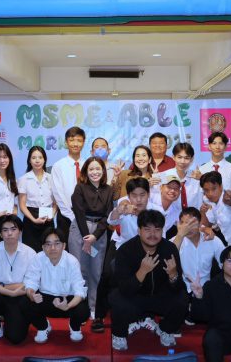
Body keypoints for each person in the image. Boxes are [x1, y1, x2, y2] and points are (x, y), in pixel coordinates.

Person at [109, 209, 188, 351]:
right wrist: (142, 272)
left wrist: (173, 275)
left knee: (182, 297)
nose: (152, 234)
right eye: (147, 229)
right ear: (139, 231)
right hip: (134, 297)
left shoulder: (169, 249)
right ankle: (119, 334)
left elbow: (178, 287)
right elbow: (124, 289)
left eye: (157, 230)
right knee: (116, 298)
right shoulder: (126, 250)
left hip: (159, 296)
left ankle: (166, 329)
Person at [93, 177, 162, 333]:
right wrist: (119, 211)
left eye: (142, 195)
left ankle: (147, 314)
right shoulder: (124, 206)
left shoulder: (156, 210)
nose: (138, 199)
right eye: (134, 195)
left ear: (148, 194)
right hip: (122, 247)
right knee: (107, 274)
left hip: (148, 250)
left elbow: (159, 235)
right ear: (129, 196)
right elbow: (111, 221)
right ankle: (99, 316)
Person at [23, 228, 90, 343]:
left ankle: (74, 326)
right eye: (48, 244)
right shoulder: (38, 258)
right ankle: (43, 327)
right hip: (45, 298)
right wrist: (31, 294)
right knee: (25, 302)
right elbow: (31, 281)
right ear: (43, 247)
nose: (52, 248)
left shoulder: (72, 261)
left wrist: (68, 306)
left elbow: (79, 290)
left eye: (57, 243)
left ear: (64, 246)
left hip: (67, 299)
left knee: (83, 310)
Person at [0, 215, 37, 345]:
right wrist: (11, 291)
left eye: (13, 229)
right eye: (5, 230)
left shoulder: (31, 253)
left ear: (20, 232)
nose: (9, 233)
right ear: (0, 234)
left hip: (20, 297)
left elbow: (30, 284)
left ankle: (19, 320)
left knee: (15, 338)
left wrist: (1, 286)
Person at [69, 156, 113, 314]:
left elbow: (108, 215)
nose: (95, 172)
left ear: (103, 171)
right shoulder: (80, 188)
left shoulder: (109, 190)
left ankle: (93, 307)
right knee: (80, 269)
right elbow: (79, 212)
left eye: (98, 169)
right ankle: (79, 308)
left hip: (99, 233)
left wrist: (95, 236)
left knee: (96, 271)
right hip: (80, 231)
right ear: (86, 172)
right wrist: (87, 238)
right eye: (91, 169)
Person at [171, 207, 225, 325]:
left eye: (192, 224)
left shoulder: (213, 240)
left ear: (200, 224)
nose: (188, 228)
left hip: (206, 287)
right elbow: (169, 260)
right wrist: (180, 236)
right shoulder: (174, 241)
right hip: (183, 287)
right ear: (179, 225)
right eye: (184, 223)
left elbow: (225, 263)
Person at [51, 126, 86, 244]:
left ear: (83, 143)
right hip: (66, 216)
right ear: (66, 142)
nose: (75, 144)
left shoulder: (88, 165)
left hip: (86, 216)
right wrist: (73, 217)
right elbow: (58, 194)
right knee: (65, 248)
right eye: (72, 140)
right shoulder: (58, 166)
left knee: (88, 249)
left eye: (79, 140)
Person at [17, 146, 55, 252]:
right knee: (30, 252)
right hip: (30, 219)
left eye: (40, 157)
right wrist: (33, 219)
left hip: (48, 218)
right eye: (33, 158)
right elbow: (22, 205)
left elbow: (56, 202)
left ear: (44, 159)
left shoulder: (51, 178)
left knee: (49, 251)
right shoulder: (24, 179)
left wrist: (52, 214)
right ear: (29, 160)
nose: (37, 161)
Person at [161, 142, 203, 209]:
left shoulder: (197, 177)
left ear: (191, 159)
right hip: (169, 215)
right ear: (173, 157)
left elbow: (201, 202)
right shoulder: (163, 175)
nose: (182, 161)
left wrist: (202, 179)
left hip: (193, 215)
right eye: (179, 157)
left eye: (186, 158)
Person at [199, 132, 231, 199]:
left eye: (221, 143)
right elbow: (200, 195)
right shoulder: (202, 169)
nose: (217, 147)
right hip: (207, 205)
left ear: (225, 147)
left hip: (227, 205)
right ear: (209, 146)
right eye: (214, 143)